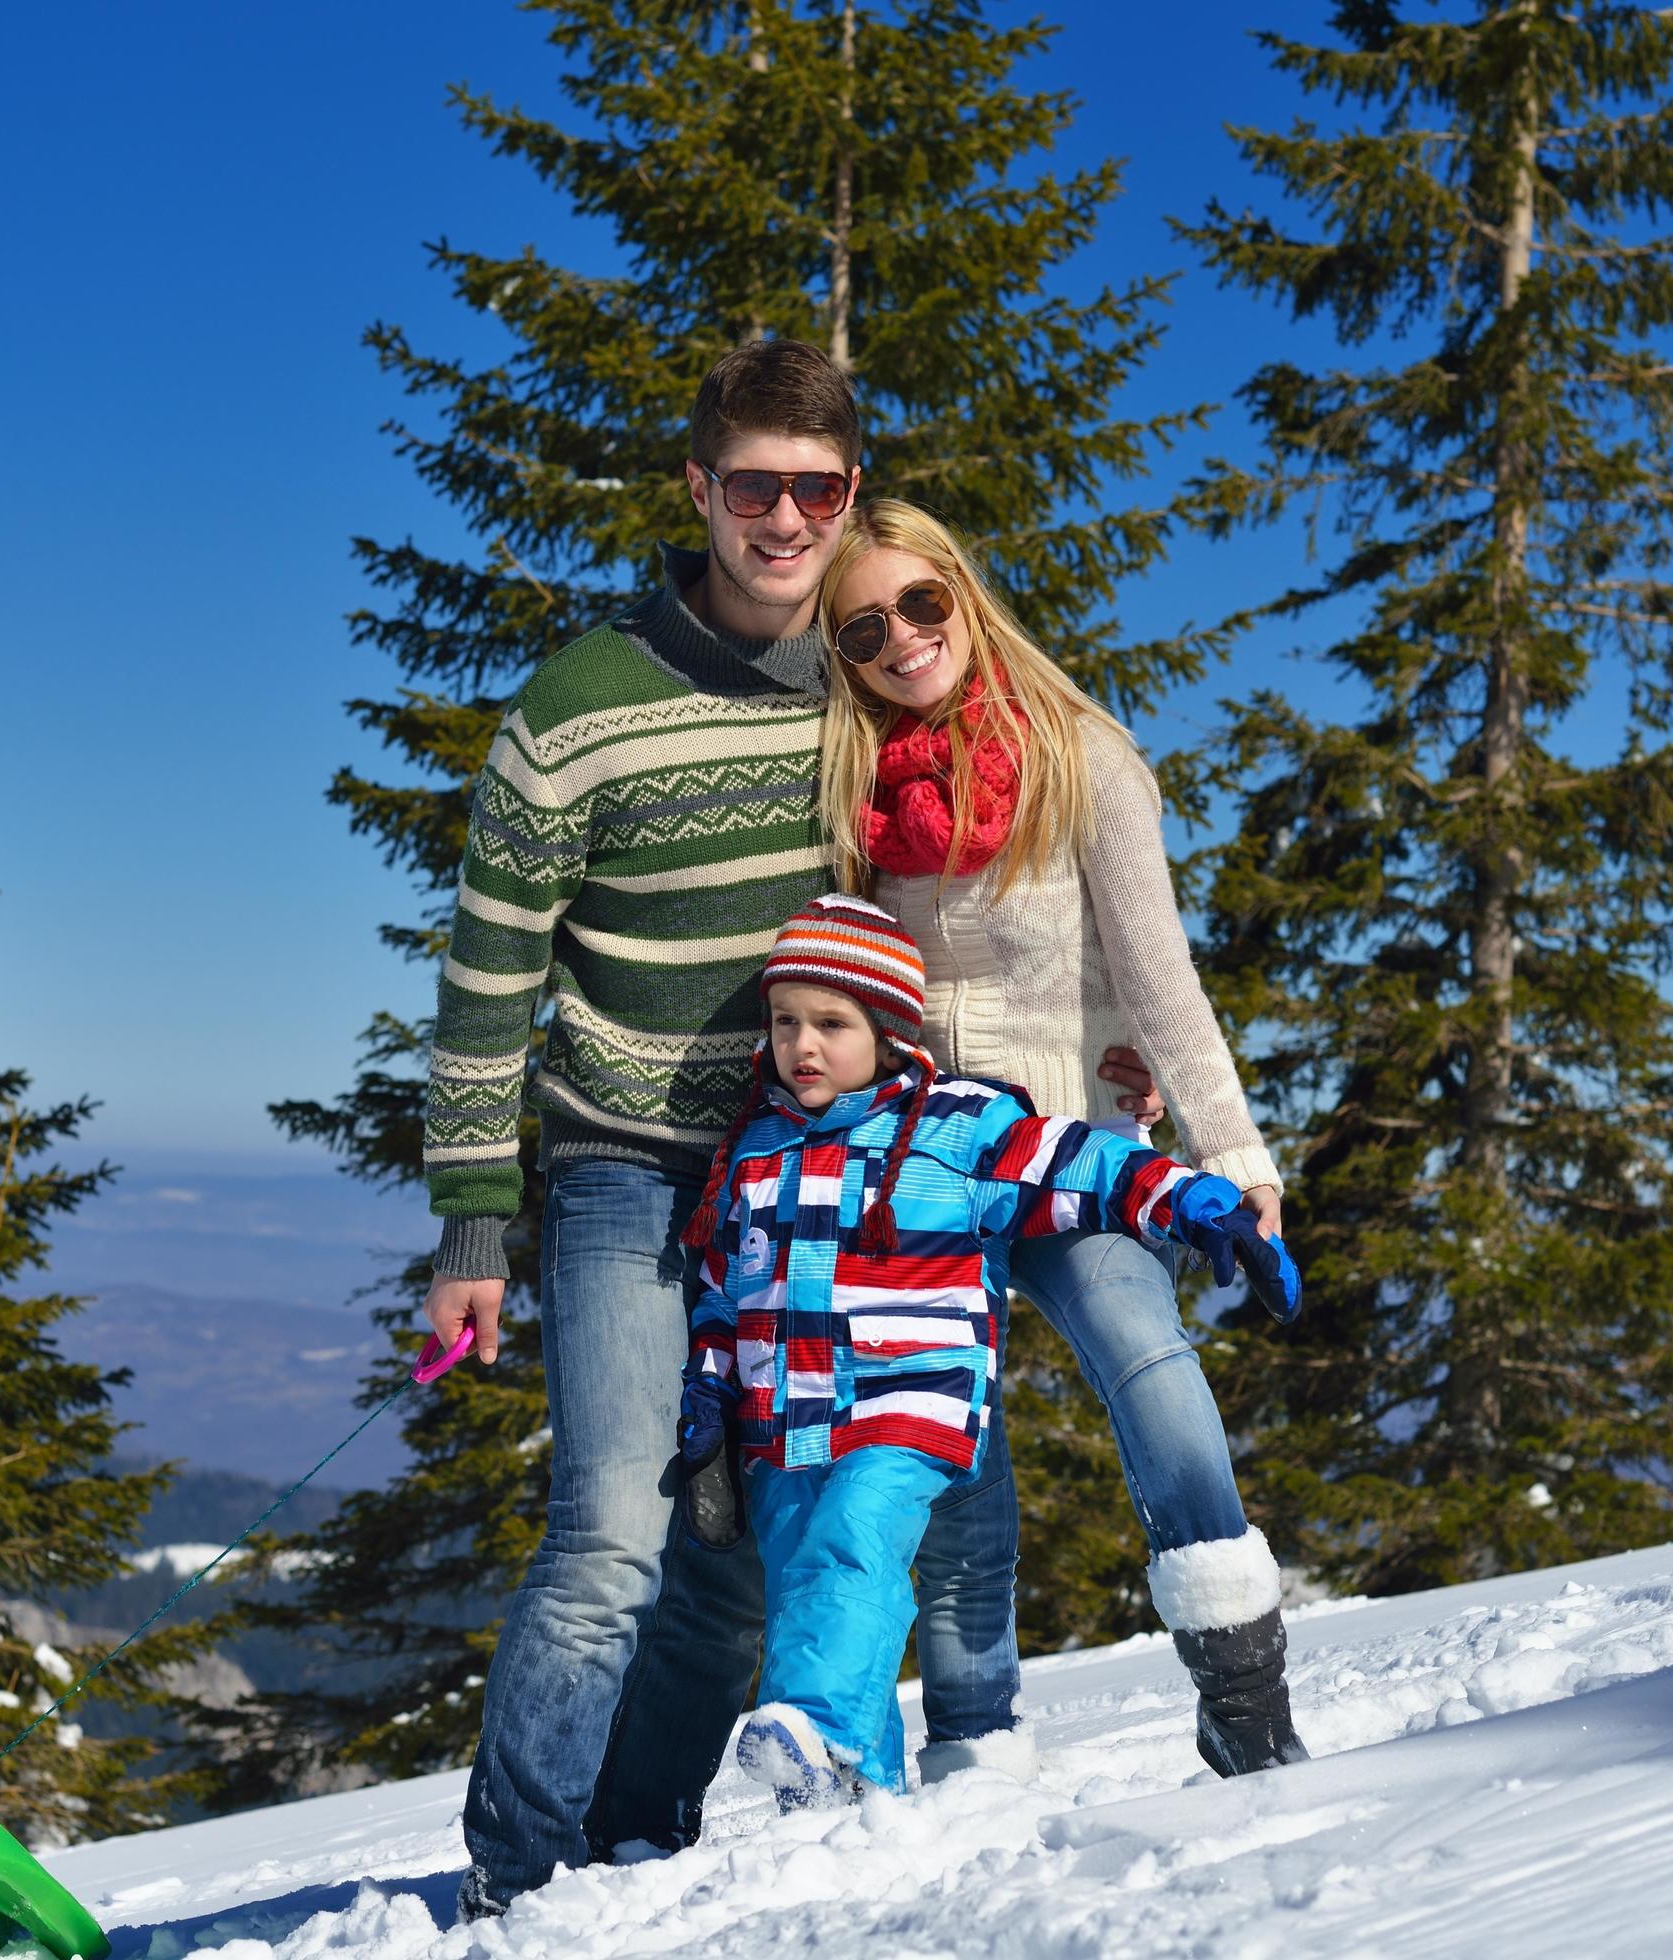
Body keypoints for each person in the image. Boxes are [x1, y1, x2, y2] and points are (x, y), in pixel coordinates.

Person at [419, 342, 1171, 1917]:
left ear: (844, 501)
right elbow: (491, 976)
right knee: (616, 1531)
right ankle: (511, 1886)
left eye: (814, 491)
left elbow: (995, 868)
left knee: (743, 1547)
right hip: (631, 1166)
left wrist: (1107, 1038)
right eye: (753, 487)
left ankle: (632, 1846)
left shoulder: (856, 681)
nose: (783, 519)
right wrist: (475, 1227)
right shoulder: (576, 706)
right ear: (699, 491)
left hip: (812, 1175)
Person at [805, 497, 1316, 1782]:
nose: (905, 639)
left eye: (923, 603)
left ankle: (1244, 1688)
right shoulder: (855, 791)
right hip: (922, 1159)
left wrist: (1236, 1156)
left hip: (1073, 1146)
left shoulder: (1082, 760)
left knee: (1151, 1362)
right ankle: (975, 1735)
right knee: (949, 1434)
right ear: (845, 657)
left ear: (966, 596)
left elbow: (1161, 984)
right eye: (867, 627)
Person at [671, 895, 1298, 1806]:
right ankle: (859, 1803)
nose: (801, 1046)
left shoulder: (954, 1125)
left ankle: (822, 1727)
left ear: (886, 1032)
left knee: (851, 1545)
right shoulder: (752, 1150)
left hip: (904, 1403)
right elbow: (725, 1291)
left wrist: (1198, 1202)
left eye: (831, 1025)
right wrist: (708, 1397)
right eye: (784, 1023)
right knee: (814, 1583)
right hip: (783, 1423)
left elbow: (1082, 1163)